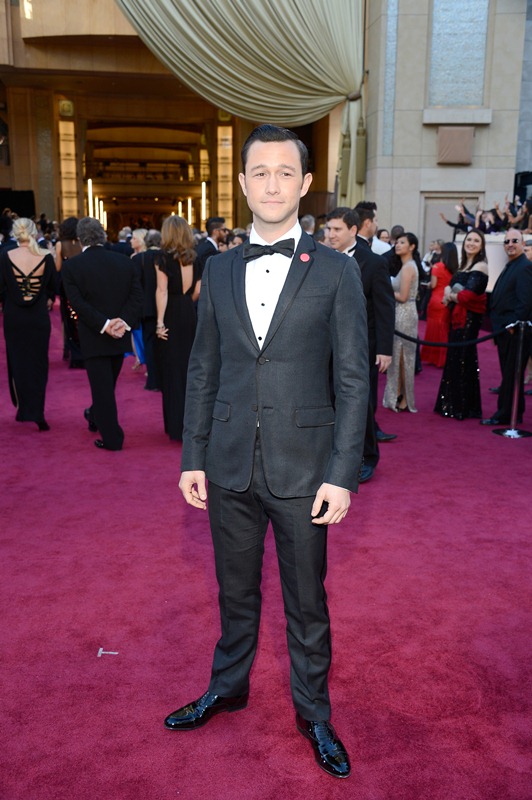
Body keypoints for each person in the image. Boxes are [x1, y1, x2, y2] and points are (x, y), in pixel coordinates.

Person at [164, 124, 369, 780]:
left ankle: (314, 712)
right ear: (243, 182)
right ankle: (228, 687)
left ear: (305, 184)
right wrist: (192, 455)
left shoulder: (337, 270)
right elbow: (204, 368)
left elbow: (353, 380)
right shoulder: (220, 267)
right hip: (227, 462)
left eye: (285, 172)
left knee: (307, 601)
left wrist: (342, 473)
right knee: (234, 591)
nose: (272, 184)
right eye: (260, 172)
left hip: (305, 469)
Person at [326, 206, 395, 483]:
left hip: (362, 347)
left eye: (337, 229)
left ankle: (367, 456)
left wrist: (385, 349)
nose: (330, 234)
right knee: (329, 400)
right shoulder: (322, 259)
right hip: (326, 346)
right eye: (328, 229)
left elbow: (384, 308)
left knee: (360, 404)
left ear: (353, 230)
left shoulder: (374, 263)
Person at [62, 217, 143, 450]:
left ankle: (112, 440)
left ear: (79, 239)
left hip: (94, 335)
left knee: (103, 389)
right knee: (105, 387)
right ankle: (95, 415)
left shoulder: (72, 266)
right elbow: (137, 297)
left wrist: (106, 324)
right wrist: (120, 323)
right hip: (118, 334)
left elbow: (77, 303)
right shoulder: (124, 262)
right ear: (103, 236)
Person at [0, 217, 55, 430]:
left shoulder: (5, 256)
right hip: (38, 317)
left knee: (18, 362)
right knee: (39, 364)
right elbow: (52, 287)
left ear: (15, 233)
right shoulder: (46, 256)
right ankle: (37, 413)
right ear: (34, 232)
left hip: (14, 317)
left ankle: (24, 409)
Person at [154, 215, 200, 441]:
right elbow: (198, 290)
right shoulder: (195, 257)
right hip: (188, 311)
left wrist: (160, 322)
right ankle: (191, 424)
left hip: (171, 312)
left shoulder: (162, 258)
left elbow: (162, 291)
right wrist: (186, 303)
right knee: (189, 368)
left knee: (172, 369)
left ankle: (175, 425)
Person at [434, 230, 488, 420]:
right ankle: (452, 403)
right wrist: (451, 293)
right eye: (469, 240)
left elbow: (467, 296)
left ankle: (462, 406)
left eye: (476, 240)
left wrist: (450, 295)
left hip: (469, 320)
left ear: (482, 246)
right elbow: (451, 287)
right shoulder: (463, 265)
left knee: (464, 358)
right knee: (455, 357)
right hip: (456, 319)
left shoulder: (481, 266)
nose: (471, 243)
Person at [480, 229, 532, 425]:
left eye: (514, 241)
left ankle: (505, 414)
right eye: (507, 241)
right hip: (504, 329)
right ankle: (514, 412)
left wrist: (513, 324)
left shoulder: (525, 267)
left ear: (522, 244)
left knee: (511, 374)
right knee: (509, 373)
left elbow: (525, 302)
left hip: (514, 331)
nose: (510, 244)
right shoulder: (512, 265)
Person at [382, 233, 420, 412]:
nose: (397, 245)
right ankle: (399, 393)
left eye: (402, 242)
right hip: (403, 312)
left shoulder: (408, 267)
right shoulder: (407, 266)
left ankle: (404, 397)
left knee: (404, 357)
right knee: (400, 356)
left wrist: (383, 288)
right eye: (396, 242)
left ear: (412, 247)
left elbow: (403, 297)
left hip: (404, 314)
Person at [421, 242, 458, 368]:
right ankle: (443, 358)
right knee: (444, 330)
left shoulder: (437, 266)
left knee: (433, 329)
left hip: (436, 300)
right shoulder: (455, 269)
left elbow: (433, 285)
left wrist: (428, 285)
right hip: (448, 300)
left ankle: (433, 357)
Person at [55, 216, 83, 367]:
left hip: (66, 285)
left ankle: (70, 349)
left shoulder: (60, 244)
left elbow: (57, 267)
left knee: (68, 317)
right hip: (82, 284)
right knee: (82, 315)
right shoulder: (82, 242)